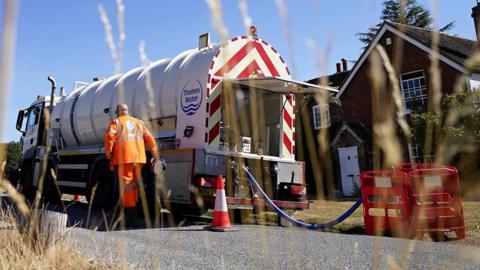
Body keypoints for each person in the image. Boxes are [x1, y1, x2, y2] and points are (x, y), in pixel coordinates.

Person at [104, 103, 159, 227]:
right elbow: (150, 139)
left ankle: (130, 216)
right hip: (139, 159)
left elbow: (109, 137)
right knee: (134, 185)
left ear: (118, 112)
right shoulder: (139, 123)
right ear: (127, 111)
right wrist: (155, 156)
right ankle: (132, 211)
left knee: (127, 186)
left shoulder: (116, 122)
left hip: (124, 159)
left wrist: (108, 153)